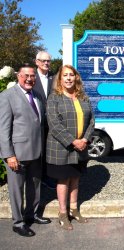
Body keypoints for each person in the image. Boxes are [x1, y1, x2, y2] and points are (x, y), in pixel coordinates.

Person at [0, 64, 51, 237]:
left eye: (32, 76)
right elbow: (3, 129)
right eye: (25, 76)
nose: (29, 79)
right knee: (16, 189)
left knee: (34, 186)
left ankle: (32, 214)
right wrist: (8, 155)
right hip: (17, 154)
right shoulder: (7, 96)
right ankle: (18, 222)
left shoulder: (36, 95)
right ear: (18, 76)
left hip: (37, 151)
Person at [46, 64, 95, 230]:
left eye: (71, 75)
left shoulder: (83, 97)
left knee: (75, 178)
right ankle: (62, 213)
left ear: (76, 78)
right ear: (60, 79)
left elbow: (92, 121)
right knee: (64, 179)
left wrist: (85, 140)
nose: (68, 78)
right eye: (65, 75)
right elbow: (54, 124)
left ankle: (74, 209)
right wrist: (74, 141)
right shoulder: (54, 97)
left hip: (81, 147)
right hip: (62, 147)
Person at [34, 51, 56, 190]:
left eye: (48, 61)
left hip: (52, 123)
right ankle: (37, 177)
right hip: (35, 122)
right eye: (43, 61)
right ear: (36, 62)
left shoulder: (54, 78)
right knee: (37, 150)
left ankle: (47, 177)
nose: (46, 63)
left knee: (49, 150)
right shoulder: (31, 77)